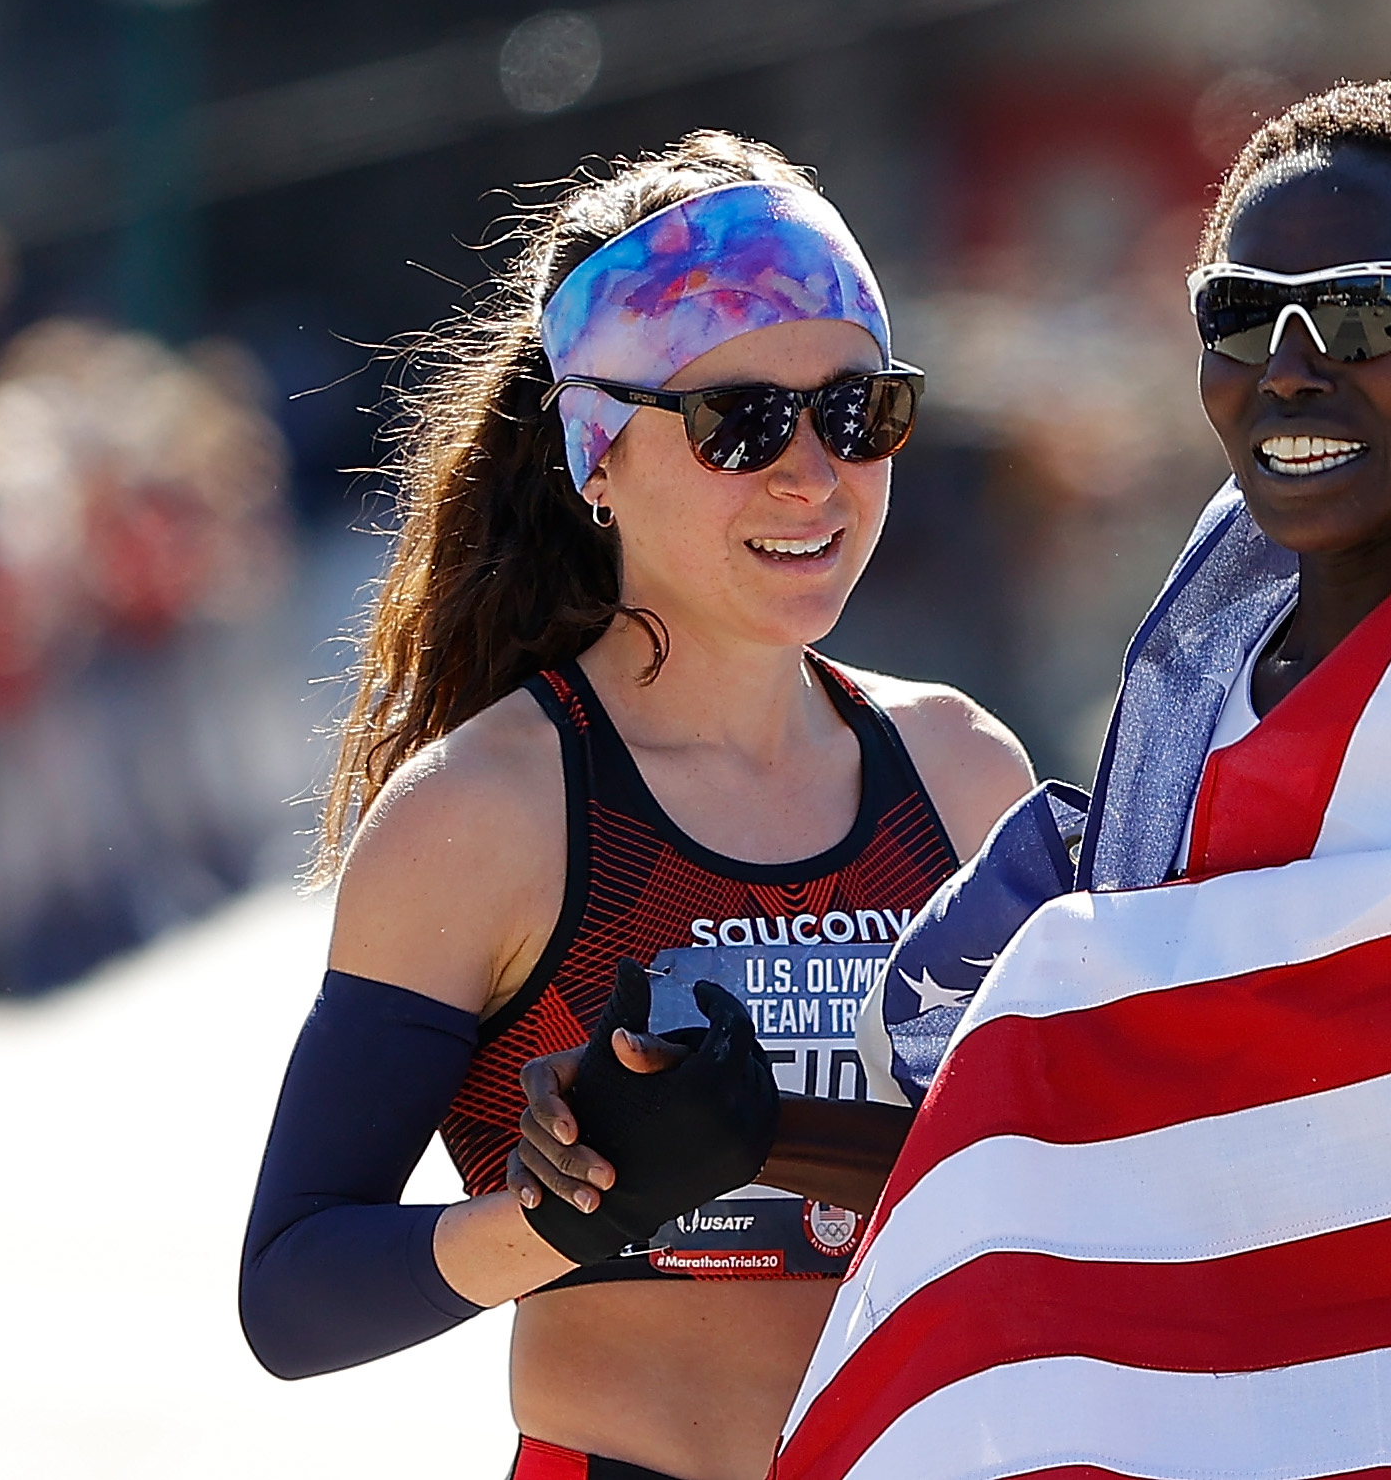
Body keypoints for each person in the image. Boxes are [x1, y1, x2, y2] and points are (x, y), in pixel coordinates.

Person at [528, 82, 1391, 1479]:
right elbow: (1089, 1146)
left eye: (1365, 318)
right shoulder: (1197, 690)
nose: (1289, 369)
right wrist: (722, 1132)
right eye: (1238, 315)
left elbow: (1215, 1121)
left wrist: (1040, 990)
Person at [238, 132, 1034, 1480]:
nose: (810, 474)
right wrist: (565, 1212)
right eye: (738, 421)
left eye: (857, 411)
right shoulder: (487, 814)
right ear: (593, 455)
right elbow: (294, 1289)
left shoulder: (962, 777)